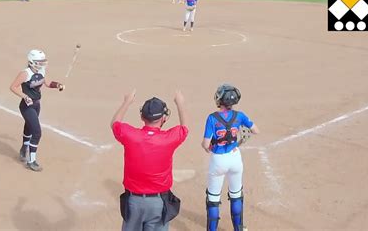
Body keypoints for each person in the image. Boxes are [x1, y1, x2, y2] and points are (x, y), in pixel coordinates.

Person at [111, 90, 188, 231]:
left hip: (134, 203)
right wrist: (180, 103)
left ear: (142, 116)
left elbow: (115, 124)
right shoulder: (168, 139)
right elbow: (184, 129)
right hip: (158, 204)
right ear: (163, 118)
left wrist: (126, 102)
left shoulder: (131, 136)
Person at [201, 84, 259, 231]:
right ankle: (238, 228)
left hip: (218, 160)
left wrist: (210, 147)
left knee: (213, 198)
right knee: (236, 194)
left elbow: (206, 144)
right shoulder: (240, 116)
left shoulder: (212, 118)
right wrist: (240, 139)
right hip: (235, 158)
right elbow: (255, 130)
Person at [9, 50, 65, 172]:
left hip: (36, 105)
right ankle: (31, 161)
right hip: (27, 106)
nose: (42, 64)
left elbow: (47, 82)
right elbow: (13, 87)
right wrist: (24, 96)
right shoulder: (25, 74)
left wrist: (58, 85)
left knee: (29, 127)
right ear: (32, 62)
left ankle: (24, 148)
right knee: (37, 132)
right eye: (40, 62)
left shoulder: (41, 71)